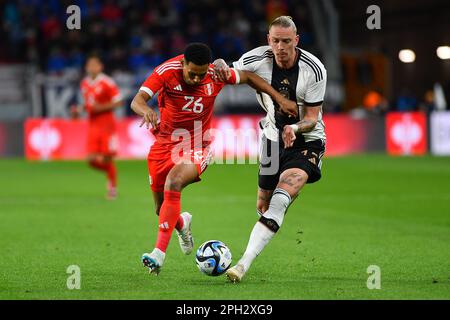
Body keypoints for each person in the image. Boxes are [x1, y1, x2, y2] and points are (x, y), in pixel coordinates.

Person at [130, 42, 298, 275]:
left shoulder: (215, 74)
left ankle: (158, 253)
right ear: (183, 64)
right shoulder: (167, 71)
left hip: (199, 144)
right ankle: (182, 223)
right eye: (192, 74)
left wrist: (279, 99)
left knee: (174, 181)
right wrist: (146, 110)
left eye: (201, 74)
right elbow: (137, 100)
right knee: (161, 209)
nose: (197, 80)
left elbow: (249, 77)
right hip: (164, 144)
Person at [214, 16, 327, 283]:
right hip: (270, 138)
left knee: (283, 192)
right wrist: (219, 64)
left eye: (286, 41)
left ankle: (242, 265)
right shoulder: (256, 59)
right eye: (275, 41)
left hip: (307, 140)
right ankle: (269, 221)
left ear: (296, 41)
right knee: (264, 204)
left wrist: (295, 128)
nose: (280, 47)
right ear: (269, 40)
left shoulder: (315, 69)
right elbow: (229, 73)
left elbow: (312, 116)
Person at [72, 54, 123, 200]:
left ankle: (112, 187)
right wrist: (78, 110)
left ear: (100, 67)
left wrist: (100, 108)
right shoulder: (85, 83)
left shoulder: (107, 82)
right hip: (93, 125)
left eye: (95, 65)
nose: (92, 68)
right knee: (91, 159)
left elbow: (118, 102)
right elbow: (88, 104)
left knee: (107, 158)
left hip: (107, 124)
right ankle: (111, 173)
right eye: (89, 65)